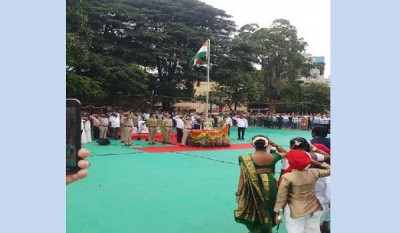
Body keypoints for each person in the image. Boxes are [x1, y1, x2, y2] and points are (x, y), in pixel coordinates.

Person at [234, 135, 287, 233]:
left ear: (253, 145)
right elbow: (285, 152)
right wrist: (273, 143)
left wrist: (239, 193)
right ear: (267, 145)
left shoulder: (245, 158)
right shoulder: (272, 156)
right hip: (270, 185)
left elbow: (242, 177)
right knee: (269, 206)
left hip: (252, 186)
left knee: (254, 206)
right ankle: (267, 228)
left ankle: (256, 229)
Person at [274, 149, 330, 233]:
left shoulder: (287, 177)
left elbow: (281, 197)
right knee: (314, 230)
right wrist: (315, 162)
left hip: (295, 211)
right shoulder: (314, 172)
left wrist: (277, 213)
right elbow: (330, 169)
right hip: (314, 209)